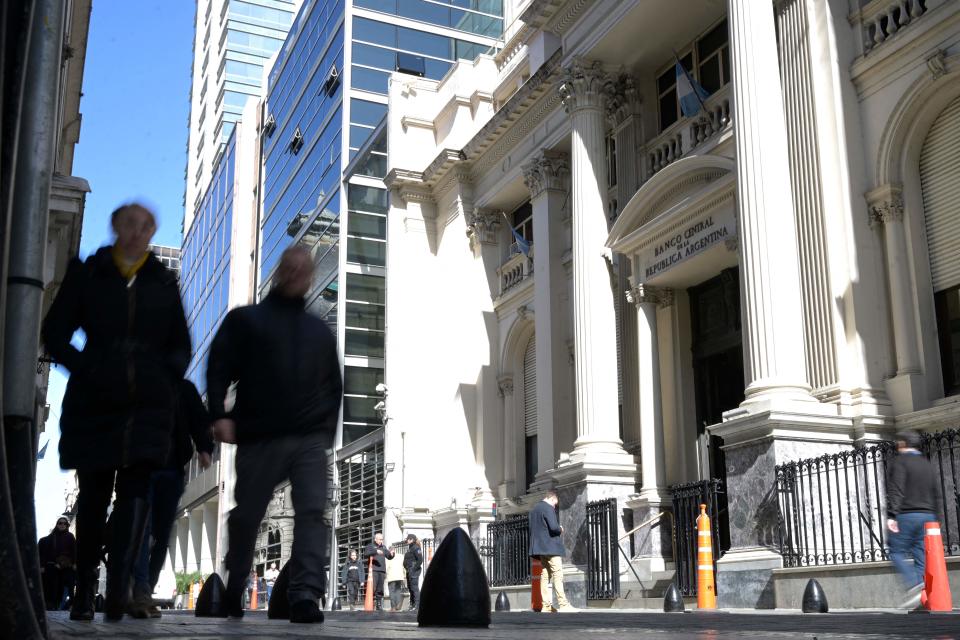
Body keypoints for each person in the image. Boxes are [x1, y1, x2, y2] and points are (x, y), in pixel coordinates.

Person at [42, 203, 191, 621]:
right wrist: (86, 367)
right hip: (95, 404)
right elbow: (54, 332)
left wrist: (164, 376)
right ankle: (88, 584)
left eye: (146, 227)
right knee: (92, 500)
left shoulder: (164, 283)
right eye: (129, 224)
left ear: (151, 232)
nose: (137, 232)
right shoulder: (88, 274)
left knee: (134, 499)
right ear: (115, 227)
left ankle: (121, 584)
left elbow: (180, 343)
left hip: (146, 407)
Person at [208, 245, 343, 624]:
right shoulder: (245, 321)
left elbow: (334, 385)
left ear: (310, 278)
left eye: (305, 270)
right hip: (260, 435)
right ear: (281, 271)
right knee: (248, 515)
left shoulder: (318, 330)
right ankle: (235, 585)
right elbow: (218, 365)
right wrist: (218, 414)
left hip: (308, 440)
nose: (299, 274)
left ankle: (304, 595)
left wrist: (325, 433)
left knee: (313, 514)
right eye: (292, 267)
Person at [128, 379, 214, 619]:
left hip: (172, 467)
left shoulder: (182, 387)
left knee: (162, 533)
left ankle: (144, 586)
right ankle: (141, 590)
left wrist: (205, 446)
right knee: (142, 531)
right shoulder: (138, 379)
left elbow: (198, 416)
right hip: (141, 467)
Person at [886, 429, 940, 609]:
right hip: (928, 515)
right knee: (920, 555)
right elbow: (935, 492)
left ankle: (914, 584)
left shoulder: (900, 461)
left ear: (902, 444)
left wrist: (892, 515)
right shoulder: (927, 463)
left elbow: (897, 488)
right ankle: (923, 598)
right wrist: (935, 518)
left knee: (896, 551)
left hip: (907, 514)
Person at [528, 489, 576, 612]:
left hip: (540, 548)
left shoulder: (534, 509)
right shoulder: (548, 508)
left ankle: (546, 605)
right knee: (558, 574)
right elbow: (554, 528)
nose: (555, 506)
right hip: (551, 547)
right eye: (555, 503)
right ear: (552, 498)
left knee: (545, 575)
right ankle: (563, 604)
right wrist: (560, 529)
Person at [38, 518, 77, 610]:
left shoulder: (70, 536)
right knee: (53, 587)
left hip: (66, 566)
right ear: (57, 524)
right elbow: (45, 553)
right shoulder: (50, 538)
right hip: (53, 567)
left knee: (68, 586)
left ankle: (70, 605)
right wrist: (42, 566)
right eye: (60, 523)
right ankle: (52, 606)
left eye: (65, 524)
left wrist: (74, 563)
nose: (62, 525)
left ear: (67, 525)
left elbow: (74, 551)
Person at [363, 532, 394, 611]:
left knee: (380, 588)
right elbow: (366, 554)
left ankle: (379, 604)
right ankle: (370, 602)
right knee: (373, 587)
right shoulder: (370, 546)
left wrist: (392, 554)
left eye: (382, 539)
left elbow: (389, 556)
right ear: (375, 539)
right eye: (380, 539)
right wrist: (376, 552)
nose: (381, 541)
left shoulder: (383, 547)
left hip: (382, 570)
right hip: (374, 570)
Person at [402, 534, 423, 611]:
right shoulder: (410, 548)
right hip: (408, 570)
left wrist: (413, 569)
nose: (407, 540)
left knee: (414, 588)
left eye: (408, 539)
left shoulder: (416, 548)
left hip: (413, 571)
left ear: (412, 540)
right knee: (410, 588)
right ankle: (412, 604)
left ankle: (417, 605)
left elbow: (420, 560)